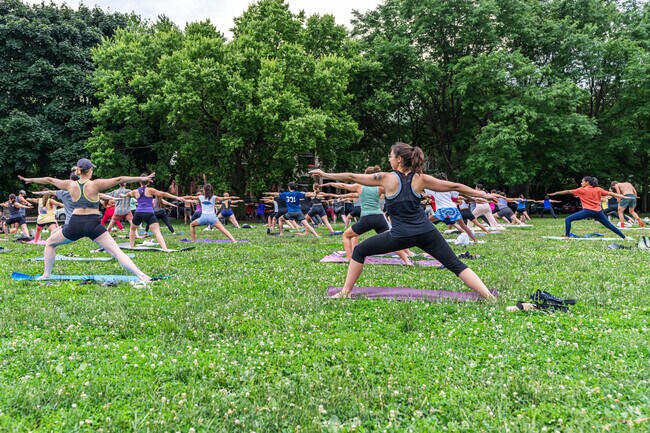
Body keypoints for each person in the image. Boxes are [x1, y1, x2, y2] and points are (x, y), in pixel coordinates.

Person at [310, 142, 498, 299]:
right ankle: (488, 297)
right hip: (426, 232)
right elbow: (455, 186)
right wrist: (483, 194)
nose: (389, 159)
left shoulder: (386, 178)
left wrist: (325, 174)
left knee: (359, 250)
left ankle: (345, 292)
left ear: (399, 159)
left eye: (391, 155)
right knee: (455, 265)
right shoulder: (420, 179)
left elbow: (352, 177)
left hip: (400, 236)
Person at [18, 159, 155, 283]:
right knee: (116, 251)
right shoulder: (95, 184)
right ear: (89, 171)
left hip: (75, 224)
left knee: (50, 243)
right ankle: (142, 275)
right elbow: (119, 179)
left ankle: (46, 275)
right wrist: (141, 178)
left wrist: (30, 180)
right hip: (93, 224)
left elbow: (49, 180)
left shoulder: (70, 185)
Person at [324, 166, 412, 264]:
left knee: (346, 235)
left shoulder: (359, 186)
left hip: (366, 219)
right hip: (379, 218)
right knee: (392, 241)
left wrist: (330, 183)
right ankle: (407, 261)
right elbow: (394, 192)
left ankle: (350, 260)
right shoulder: (379, 187)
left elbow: (343, 185)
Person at [549, 176, 630, 239]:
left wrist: (555, 193)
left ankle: (567, 236)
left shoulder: (582, 190)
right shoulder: (598, 189)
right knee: (609, 226)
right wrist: (623, 197)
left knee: (568, 219)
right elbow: (611, 194)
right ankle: (624, 237)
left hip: (587, 211)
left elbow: (568, 191)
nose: (581, 183)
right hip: (598, 212)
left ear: (587, 182)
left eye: (582, 181)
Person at [122, 175, 184, 250]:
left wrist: (124, 195)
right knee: (157, 231)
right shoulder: (150, 190)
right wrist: (176, 197)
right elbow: (163, 194)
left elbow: (128, 194)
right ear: (148, 182)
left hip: (138, 213)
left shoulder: (135, 191)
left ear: (139, 182)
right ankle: (165, 249)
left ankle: (131, 247)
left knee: (132, 229)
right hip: (148, 213)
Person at [424, 173, 482, 243]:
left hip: (442, 210)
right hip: (453, 208)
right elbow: (460, 194)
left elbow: (423, 189)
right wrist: (472, 199)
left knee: (425, 222)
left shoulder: (433, 188)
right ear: (446, 179)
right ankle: (475, 240)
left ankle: (424, 238)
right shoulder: (449, 188)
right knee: (463, 225)